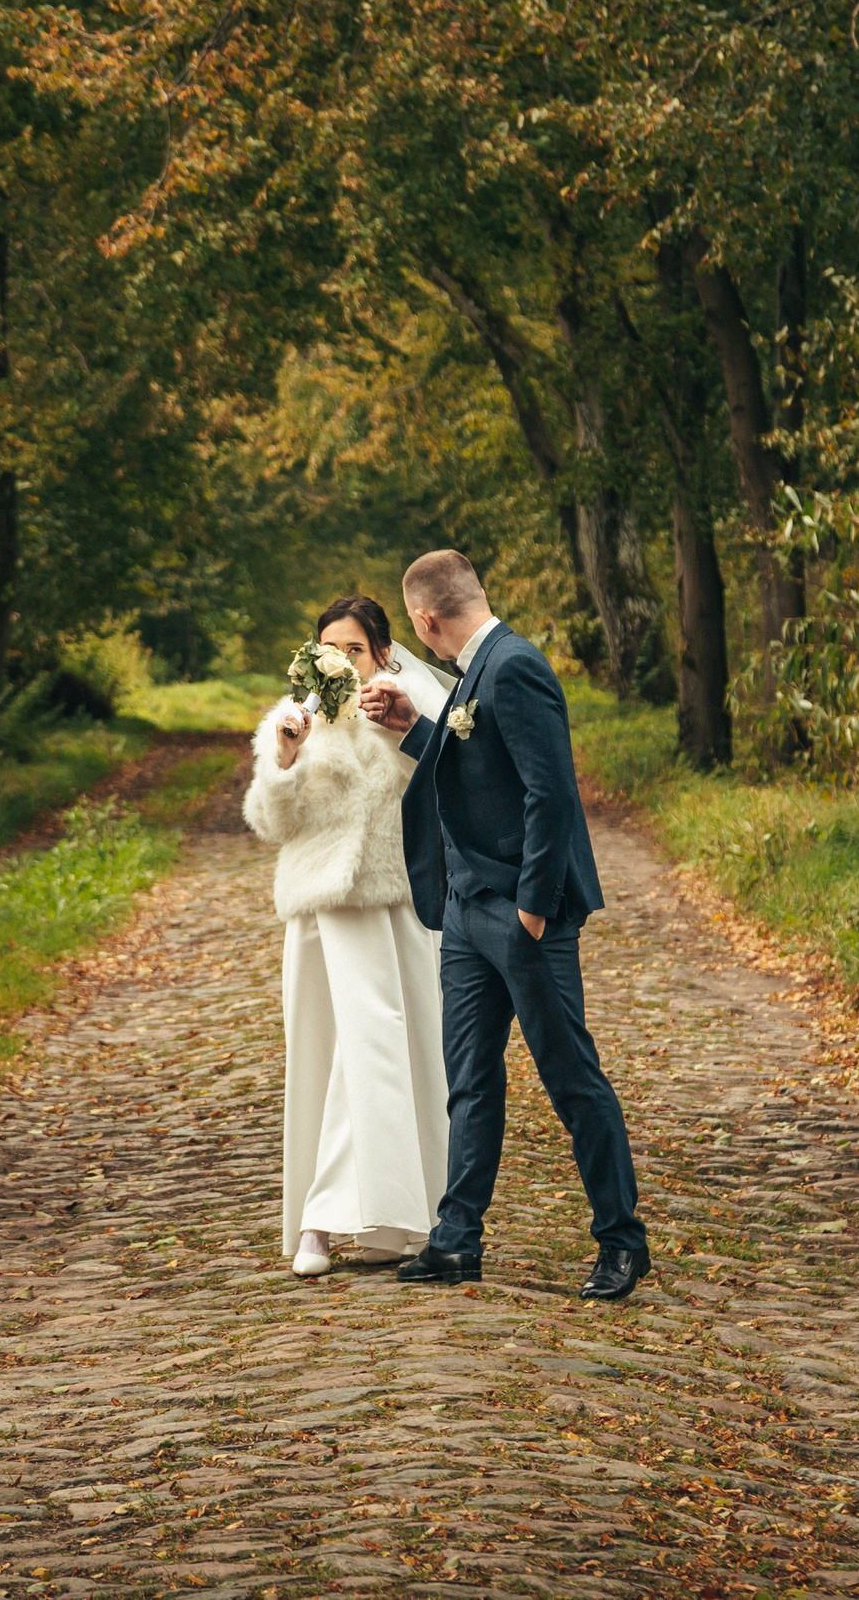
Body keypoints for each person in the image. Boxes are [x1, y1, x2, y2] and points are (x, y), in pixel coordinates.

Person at [358, 550, 652, 1301]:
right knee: (471, 1081)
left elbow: (550, 793)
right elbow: (481, 765)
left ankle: (622, 1241)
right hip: (464, 911)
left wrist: (531, 906)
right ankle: (457, 1239)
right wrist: (415, 727)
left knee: (571, 1078)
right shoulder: (473, 673)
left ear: (425, 620)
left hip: (524, 915)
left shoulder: (516, 666)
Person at [243, 595, 459, 1277]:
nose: (342, 660)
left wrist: (399, 728)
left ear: (381, 653)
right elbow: (270, 823)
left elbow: (440, 788)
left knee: (392, 1054)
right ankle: (335, 1214)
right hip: (319, 909)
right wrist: (282, 757)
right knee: (328, 1056)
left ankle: (364, 1217)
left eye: (355, 648)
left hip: (392, 901)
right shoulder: (296, 718)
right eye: (329, 648)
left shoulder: (403, 705)